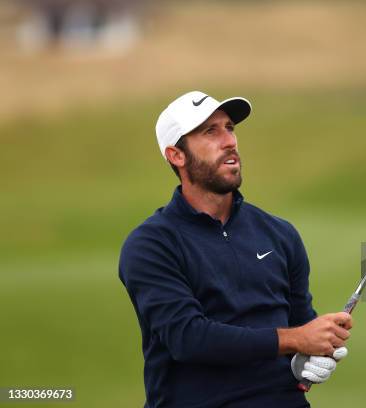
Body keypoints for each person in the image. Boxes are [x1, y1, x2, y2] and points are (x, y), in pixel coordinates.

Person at [118, 91, 352, 407]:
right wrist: (295, 340)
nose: (229, 141)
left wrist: (311, 355)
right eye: (210, 132)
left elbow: (301, 328)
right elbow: (189, 338)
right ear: (177, 155)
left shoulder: (279, 234)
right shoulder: (152, 245)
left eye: (229, 128)